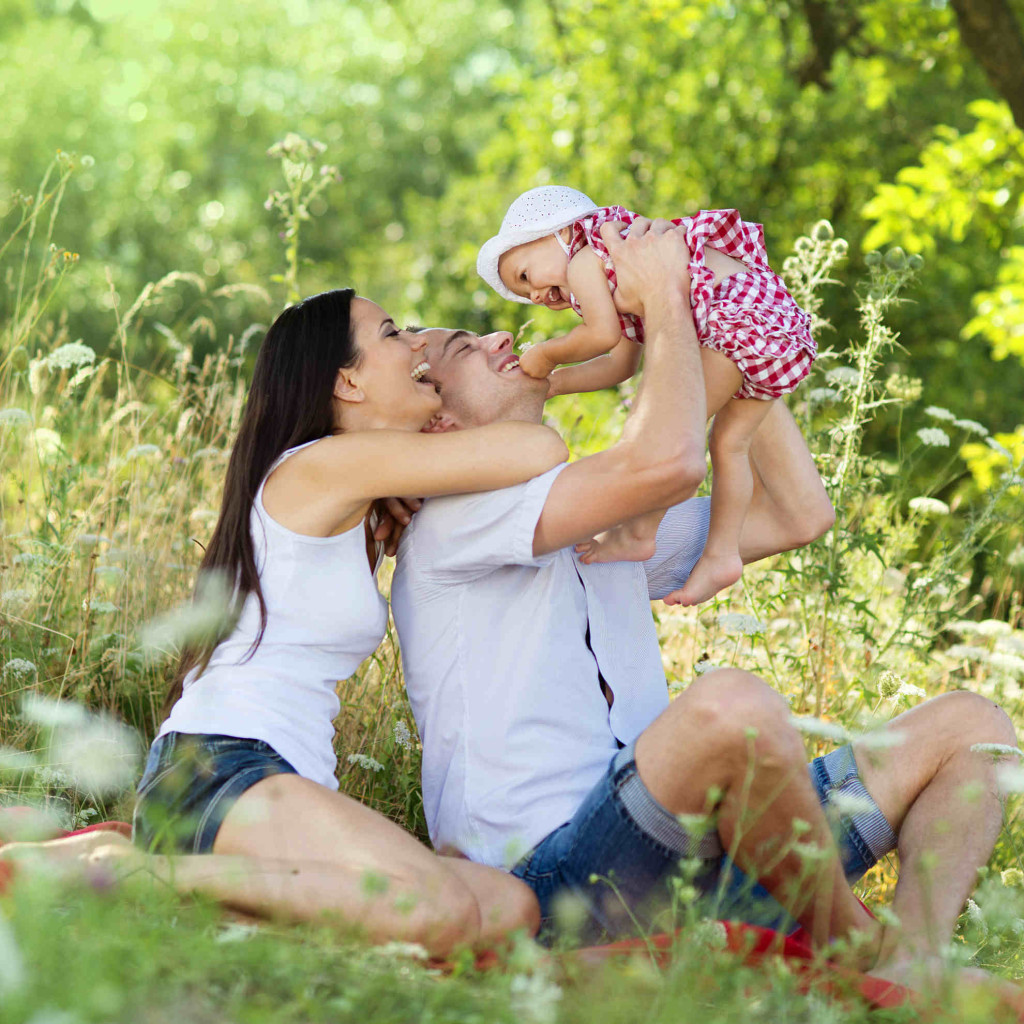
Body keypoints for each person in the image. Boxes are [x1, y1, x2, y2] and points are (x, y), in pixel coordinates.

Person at [394, 218, 1020, 994]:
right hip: (561, 882)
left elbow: (797, 514)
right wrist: (661, 302)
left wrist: (724, 314)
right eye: (463, 350)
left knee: (975, 730)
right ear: (440, 422)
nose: (499, 336)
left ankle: (914, 963)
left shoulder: (600, 527)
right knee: (729, 708)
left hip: (694, 857)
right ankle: (855, 949)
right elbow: (668, 460)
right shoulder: (448, 528)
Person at [1, 288, 567, 957]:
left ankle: (199, 898)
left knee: (508, 904)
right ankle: (131, 870)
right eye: (392, 333)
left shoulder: (352, 492)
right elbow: (538, 448)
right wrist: (561, 360)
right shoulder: (326, 464)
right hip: (222, 767)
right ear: (345, 381)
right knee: (438, 912)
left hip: (273, 780)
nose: (418, 344)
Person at [476, 185, 816, 607]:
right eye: (526, 295)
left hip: (738, 323)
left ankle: (640, 532)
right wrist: (553, 384)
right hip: (774, 327)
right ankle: (722, 553)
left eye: (526, 276)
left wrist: (546, 354)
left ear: (558, 233)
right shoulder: (613, 263)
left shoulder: (584, 258)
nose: (536, 296)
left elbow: (600, 337)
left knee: (674, 431)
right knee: (729, 444)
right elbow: (618, 366)